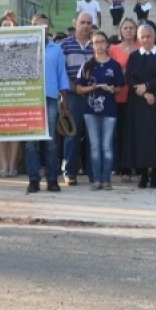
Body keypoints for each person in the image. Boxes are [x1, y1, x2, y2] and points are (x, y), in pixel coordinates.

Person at [122, 23, 156, 188]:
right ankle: (142, 174)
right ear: (139, 38)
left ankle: (154, 174)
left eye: (149, 36)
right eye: (143, 36)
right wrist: (144, 92)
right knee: (140, 138)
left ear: (155, 37)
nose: (146, 39)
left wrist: (148, 86)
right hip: (138, 102)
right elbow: (130, 79)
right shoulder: (134, 57)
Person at [25, 14, 70, 193]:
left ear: (49, 28)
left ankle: (52, 180)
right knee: (30, 143)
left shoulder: (56, 49)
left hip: (50, 99)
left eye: (44, 25)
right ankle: (33, 180)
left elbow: (62, 76)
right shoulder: (24, 46)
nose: (41, 28)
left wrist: (65, 101)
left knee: (50, 142)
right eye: (37, 25)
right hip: (28, 101)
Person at [76, 31, 124, 191]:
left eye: (102, 41)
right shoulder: (87, 65)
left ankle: (106, 179)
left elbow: (119, 88)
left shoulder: (114, 65)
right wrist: (93, 87)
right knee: (95, 145)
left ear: (107, 44)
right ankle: (96, 179)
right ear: (92, 44)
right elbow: (79, 88)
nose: (100, 45)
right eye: (96, 42)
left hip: (109, 110)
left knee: (107, 145)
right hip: (90, 110)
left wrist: (111, 89)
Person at [61, 12, 94, 186]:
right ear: (75, 23)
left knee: (92, 136)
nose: (86, 26)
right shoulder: (64, 45)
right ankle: (70, 173)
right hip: (73, 97)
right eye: (82, 22)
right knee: (72, 135)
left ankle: (93, 173)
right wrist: (75, 88)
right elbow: (61, 72)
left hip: (93, 97)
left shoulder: (96, 45)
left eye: (89, 23)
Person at [108, 18, 139, 182]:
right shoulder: (113, 50)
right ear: (120, 30)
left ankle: (138, 165)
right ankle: (122, 167)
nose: (128, 30)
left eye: (131, 28)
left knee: (136, 133)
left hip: (137, 97)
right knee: (120, 133)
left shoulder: (142, 47)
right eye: (125, 28)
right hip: (119, 97)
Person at [0, 11, 22, 177]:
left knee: (15, 128)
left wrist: (13, 21)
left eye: (9, 25)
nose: (7, 28)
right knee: (0, 129)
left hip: (16, 91)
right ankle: (4, 164)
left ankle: (12, 164)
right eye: (4, 25)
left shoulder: (18, 43)